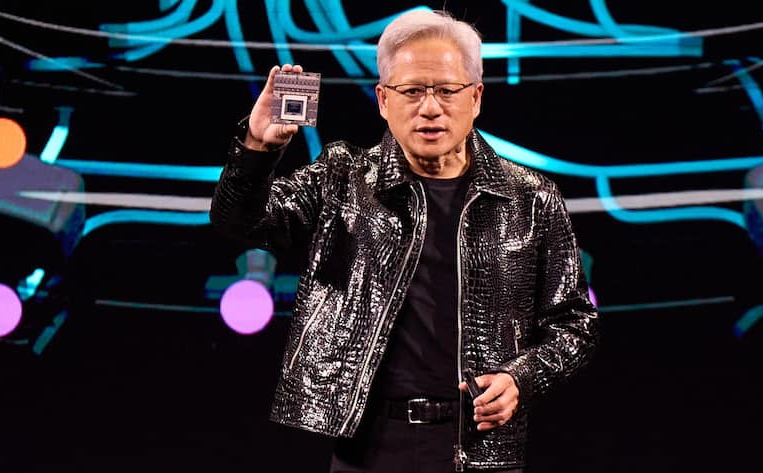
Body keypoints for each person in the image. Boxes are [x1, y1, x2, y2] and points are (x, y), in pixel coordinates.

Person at [210, 9, 598, 473]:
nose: (430, 107)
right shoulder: (343, 178)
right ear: (382, 99)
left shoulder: (528, 198)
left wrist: (521, 379)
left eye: (447, 91)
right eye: (412, 91)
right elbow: (238, 224)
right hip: (369, 451)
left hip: (481, 450)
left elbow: (575, 322)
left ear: (475, 98)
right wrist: (258, 146)